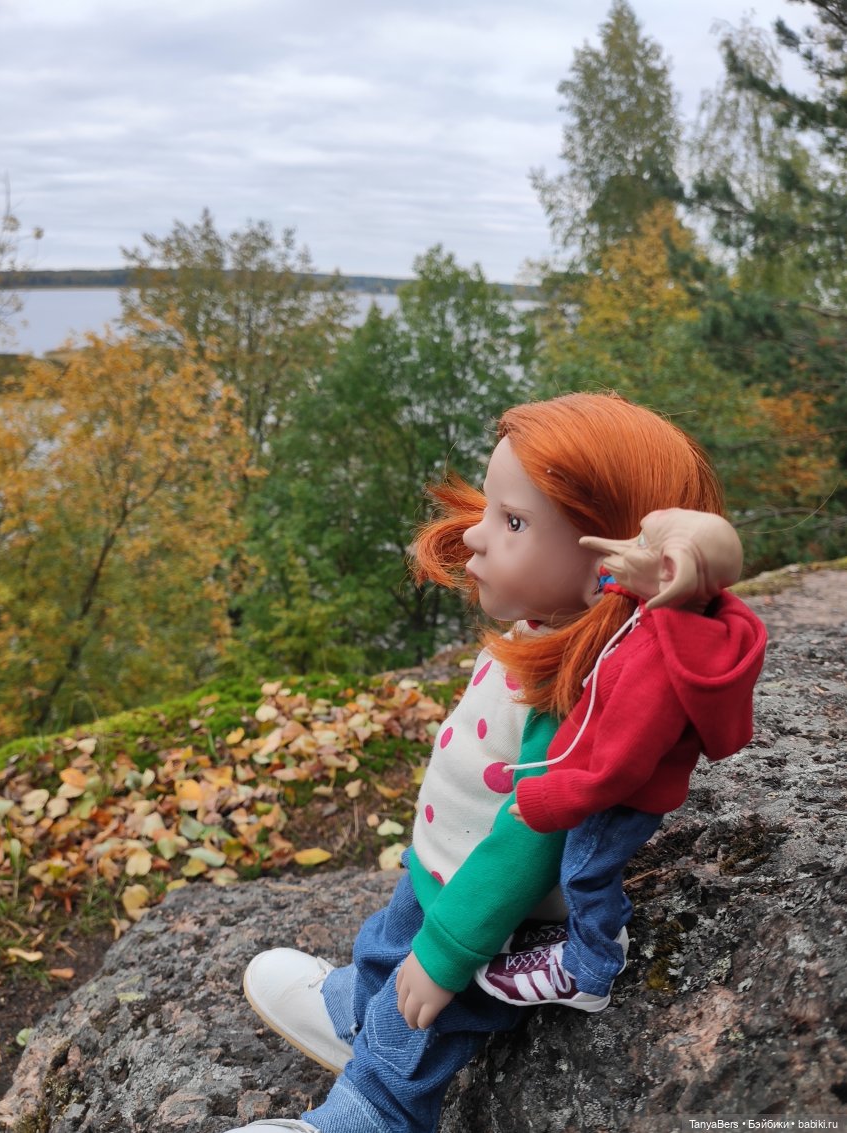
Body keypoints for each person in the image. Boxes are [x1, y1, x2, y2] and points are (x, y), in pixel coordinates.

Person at [222, 392, 766, 1133]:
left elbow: (529, 836)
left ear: (607, 572)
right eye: (493, 507)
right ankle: (356, 1012)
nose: (476, 535)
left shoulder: (580, 699)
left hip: (491, 905)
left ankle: (374, 1109)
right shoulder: (539, 630)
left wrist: (449, 953)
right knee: (390, 942)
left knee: (422, 1016)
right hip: (445, 862)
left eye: (513, 522)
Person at [474, 506, 766, 1012]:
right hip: (616, 781)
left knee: (584, 874)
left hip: (621, 799)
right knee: (586, 869)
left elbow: (620, 768)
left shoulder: (656, 666)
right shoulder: (675, 617)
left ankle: (588, 969)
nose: (626, 549)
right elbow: (640, 596)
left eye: (642, 546)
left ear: (672, 574)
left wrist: (552, 799)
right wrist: (619, 583)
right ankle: (591, 936)